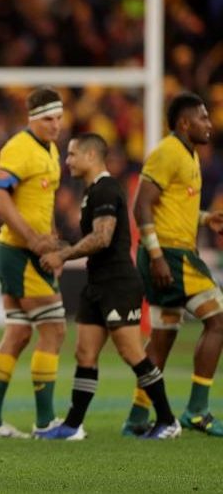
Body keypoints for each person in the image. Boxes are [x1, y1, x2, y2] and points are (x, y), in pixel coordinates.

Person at [37, 133, 180, 439]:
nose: (67, 160)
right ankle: (73, 426)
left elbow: (102, 238)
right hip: (97, 283)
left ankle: (168, 420)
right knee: (85, 353)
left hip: (118, 283)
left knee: (131, 352)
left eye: (72, 154)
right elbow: (96, 239)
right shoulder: (91, 192)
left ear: (91, 156)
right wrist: (57, 245)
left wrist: (63, 254)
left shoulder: (106, 188)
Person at [122, 92, 223, 437]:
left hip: (169, 253)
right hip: (171, 256)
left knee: (163, 337)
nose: (209, 124)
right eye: (203, 117)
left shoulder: (187, 154)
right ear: (184, 122)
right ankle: (197, 410)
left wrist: (206, 218)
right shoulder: (168, 151)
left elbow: (171, 207)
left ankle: (138, 415)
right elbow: (142, 206)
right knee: (218, 321)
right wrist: (156, 257)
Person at [0, 87, 66, 439]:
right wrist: (32, 239)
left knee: (18, 332)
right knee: (54, 329)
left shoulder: (51, 150)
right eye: (48, 119)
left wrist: (53, 244)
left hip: (26, 252)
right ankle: (46, 423)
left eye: (59, 118)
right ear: (33, 118)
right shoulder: (19, 147)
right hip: (18, 252)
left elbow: (43, 204)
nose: (55, 125)